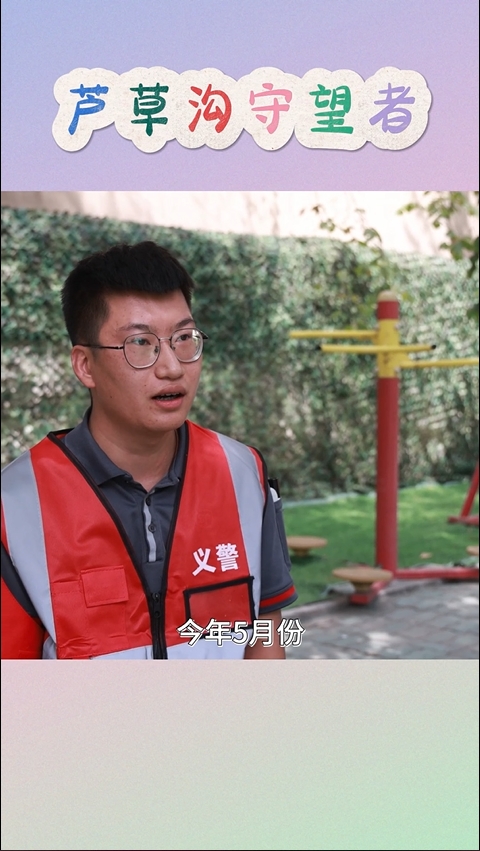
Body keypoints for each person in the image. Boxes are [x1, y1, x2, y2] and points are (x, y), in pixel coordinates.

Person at [1, 241, 297, 659]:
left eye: (184, 338)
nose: (172, 366)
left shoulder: (243, 474)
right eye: (140, 342)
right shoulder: (15, 507)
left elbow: (266, 634)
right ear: (85, 365)